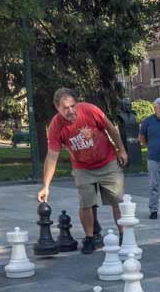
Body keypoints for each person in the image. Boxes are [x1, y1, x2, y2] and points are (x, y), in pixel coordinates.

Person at [38, 88, 128, 254]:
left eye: (73, 105)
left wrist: (121, 150)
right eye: (66, 108)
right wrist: (46, 186)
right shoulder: (55, 126)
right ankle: (89, 238)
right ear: (57, 107)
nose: (71, 110)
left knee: (117, 201)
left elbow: (110, 128)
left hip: (107, 162)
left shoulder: (90, 110)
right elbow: (52, 156)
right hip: (83, 167)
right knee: (86, 204)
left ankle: (124, 235)